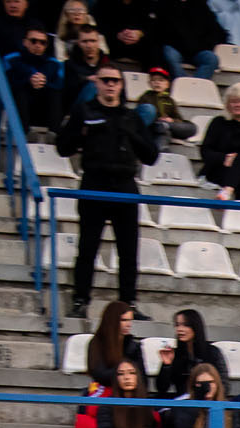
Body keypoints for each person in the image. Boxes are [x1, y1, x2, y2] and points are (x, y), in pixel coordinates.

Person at [55, 64, 157, 318]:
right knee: (87, 247)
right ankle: (80, 301)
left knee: (128, 250)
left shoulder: (131, 117)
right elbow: (63, 147)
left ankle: (128, 305)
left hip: (125, 186)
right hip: (94, 184)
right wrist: (81, 132)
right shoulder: (84, 111)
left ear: (121, 85)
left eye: (115, 80)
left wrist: (132, 134)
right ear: (97, 83)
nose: (111, 85)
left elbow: (152, 155)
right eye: (106, 80)